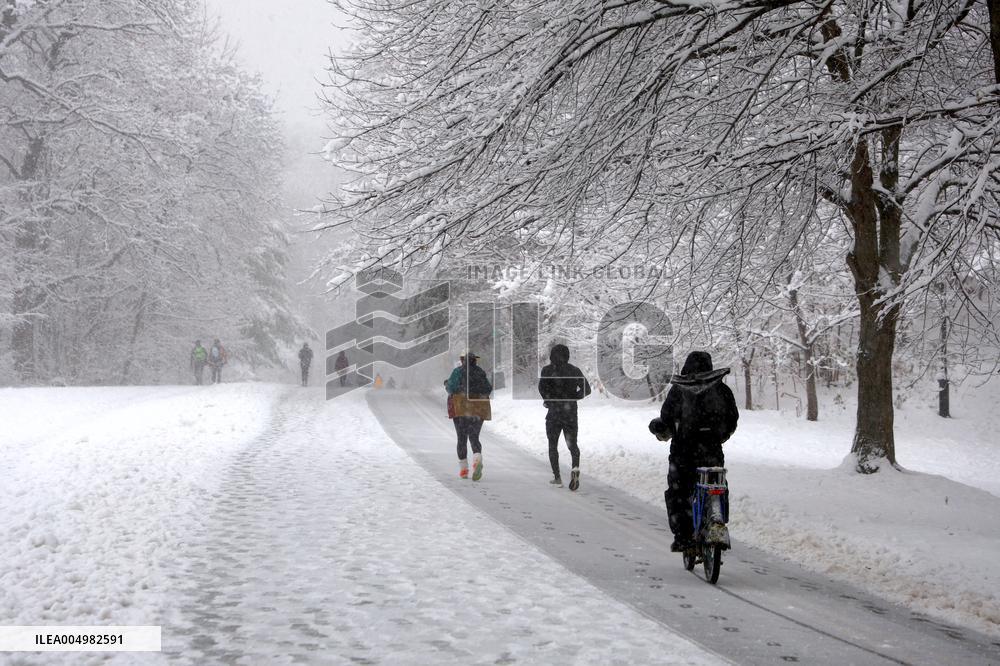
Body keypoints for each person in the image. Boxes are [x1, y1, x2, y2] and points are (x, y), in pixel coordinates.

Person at [649, 351, 739, 552]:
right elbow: (732, 420)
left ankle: (684, 537)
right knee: (716, 486)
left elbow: (667, 420)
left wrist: (663, 430)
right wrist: (717, 437)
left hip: (683, 453)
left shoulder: (678, 391)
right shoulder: (722, 391)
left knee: (678, 492)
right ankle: (717, 519)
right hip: (712, 452)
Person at [538, 344, 591, 490]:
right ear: (567, 355)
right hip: (570, 413)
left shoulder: (547, 370)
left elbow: (542, 388)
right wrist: (574, 397)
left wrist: (549, 400)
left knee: (552, 445)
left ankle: (557, 477)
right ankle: (575, 468)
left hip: (554, 413)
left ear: (552, 355)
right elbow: (587, 389)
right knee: (572, 444)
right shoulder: (574, 370)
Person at [445, 351, 493, 480]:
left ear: (463, 361)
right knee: (474, 436)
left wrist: (447, 385)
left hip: (461, 406)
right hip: (478, 407)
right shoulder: (480, 372)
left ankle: (464, 470)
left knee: (461, 438)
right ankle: (477, 458)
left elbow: (451, 388)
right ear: (475, 361)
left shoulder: (458, 372)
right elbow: (488, 388)